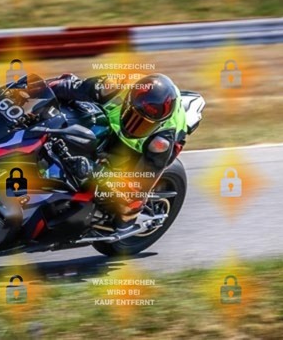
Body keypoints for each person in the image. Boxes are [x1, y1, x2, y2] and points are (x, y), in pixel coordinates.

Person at [47, 73, 188, 234]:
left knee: (128, 206)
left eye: (144, 124)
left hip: (145, 148)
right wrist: (36, 89)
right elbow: (73, 86)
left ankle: (126, 222)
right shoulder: (114, 86)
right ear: (128, 101)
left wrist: (95, 171)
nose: (135, 124)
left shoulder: (161, 143)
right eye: (132, 115)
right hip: (114, 119)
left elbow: (138, 187)